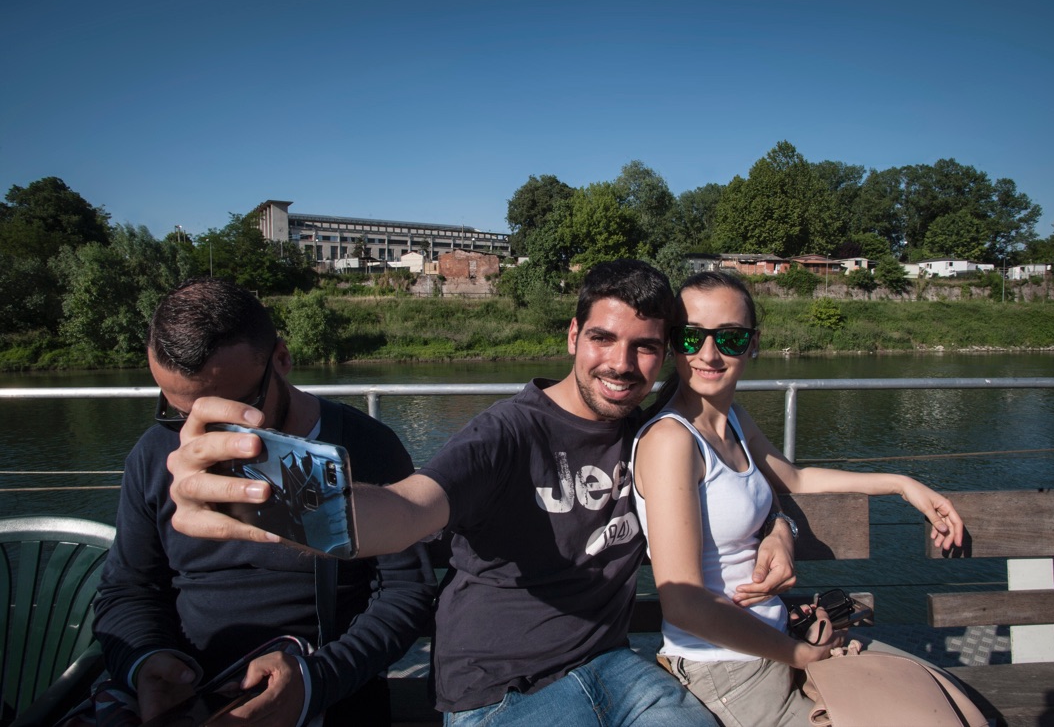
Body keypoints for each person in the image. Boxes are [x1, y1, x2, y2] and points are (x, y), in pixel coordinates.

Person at [166, 259, 800, 726]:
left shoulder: (652, 432)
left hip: (614, 665)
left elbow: (738, 471)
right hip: (504, 691)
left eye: (644, 348)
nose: (620, 364)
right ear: (573, 335)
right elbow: (411, 508)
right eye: (603, 339)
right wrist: (271, 492)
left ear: (663, 359)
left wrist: (778, 528)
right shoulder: (505, 433)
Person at [92, 277, 436, 727]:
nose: (199, 434)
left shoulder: (364, 447)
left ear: (282, 358)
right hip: (189, 690)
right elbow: (127, 587)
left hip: (325, 684)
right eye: (179, 411)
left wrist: (317, 682)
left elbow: (407, 590)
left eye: (231, 410)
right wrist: (147, 664)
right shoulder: (156, 451)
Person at [631, 270, 965, 727]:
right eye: (690, 338)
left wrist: (902, 484)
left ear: (753, 344)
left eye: (729, 338)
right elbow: (685, 605)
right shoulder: (672, 441)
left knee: (942, 703)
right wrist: (802, 654)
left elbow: (797, 478)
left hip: (774, 640)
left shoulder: (734, 421)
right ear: (672, 344)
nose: (708, 354)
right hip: (725, 670)